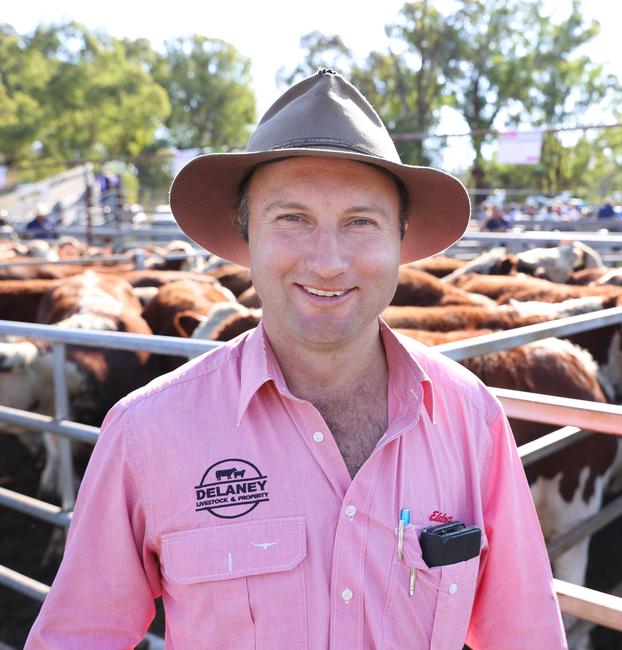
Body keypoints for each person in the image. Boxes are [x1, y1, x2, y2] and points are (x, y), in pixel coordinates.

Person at [26, 70, 566, 649]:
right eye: (292, 219)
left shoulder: (470, 417)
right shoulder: (145, 433)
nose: (329, 262)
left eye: (361, 222)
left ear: (399, 240)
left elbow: (524, 633)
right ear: (246, 235)